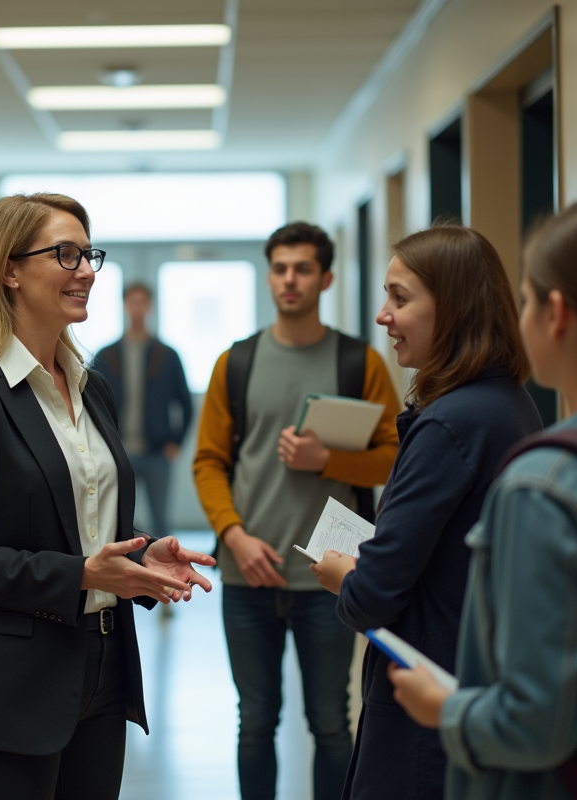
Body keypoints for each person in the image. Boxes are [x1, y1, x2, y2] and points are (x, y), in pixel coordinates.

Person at [0, 192, 217, 800]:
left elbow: (87, 525)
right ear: (9, 269)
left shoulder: (92, 386)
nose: (86, 271)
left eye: (89, 255)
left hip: (104, 668)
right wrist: (82, 574)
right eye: (66, 254)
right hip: (10, 686)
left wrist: (141, 555)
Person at [388, 198, 577, 800]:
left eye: (528, 301)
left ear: (557, 315)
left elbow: (533, 723)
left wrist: (445, 707)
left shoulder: (542, 489)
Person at [310, 225, 543, 800]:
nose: (382, 316)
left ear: (455, 307)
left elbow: (372, 598)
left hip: (428, 692)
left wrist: (343, 575)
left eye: (400, 297)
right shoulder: (508, 404)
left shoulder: (448, 424)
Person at [192, 222, 401, 800]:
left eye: (303, 268)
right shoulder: (235, 363)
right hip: (247, 573)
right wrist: (232, 536)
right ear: (269, 276)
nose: (290, 279)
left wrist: (327, 459)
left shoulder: (360, 363)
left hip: (330, 576)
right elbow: (208, 462)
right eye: (280, 268)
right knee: (255, 722)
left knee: (332, 723)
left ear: (325, 278)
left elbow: (394, 458)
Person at [91, 282, 193, 543]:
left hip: (158, 452)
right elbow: (90, 402)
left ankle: (167, 575)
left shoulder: (167, 355)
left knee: (160, 520)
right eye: (132, 302)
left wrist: (176, 442)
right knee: (121, 519)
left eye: (142, 302)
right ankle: (130, 574)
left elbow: (186, 404)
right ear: (125, 306)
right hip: (119, 451)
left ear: (150, 307)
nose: (136, 308)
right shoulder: (106, 354)